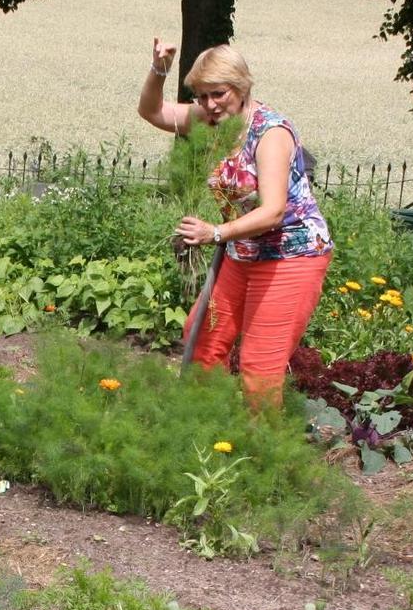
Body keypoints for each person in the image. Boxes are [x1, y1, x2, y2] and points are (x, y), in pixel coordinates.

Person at [137, 38, 332, 408]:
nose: (210, 105)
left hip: (290, 256)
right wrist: (159, 68)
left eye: (219, 94)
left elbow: (273, 211)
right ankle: (209, 427)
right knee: (202, 338)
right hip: (243, 252)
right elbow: (153, 111)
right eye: (202, 96)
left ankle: (261, 454)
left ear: (241, 88)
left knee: (260, 369)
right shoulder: (211, 122)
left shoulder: (270, 133)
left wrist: (215, 233)